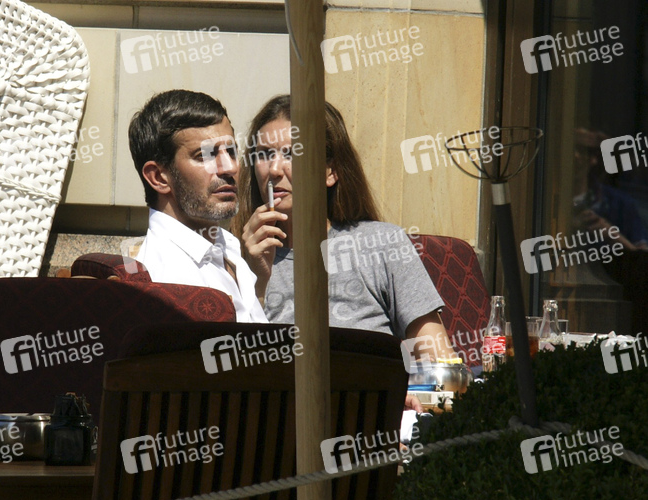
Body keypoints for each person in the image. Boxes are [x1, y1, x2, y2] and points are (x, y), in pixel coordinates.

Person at [232, 95, 455, 362]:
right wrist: (256, 280)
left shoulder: (383, 243)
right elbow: (238, 366)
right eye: (265, 154)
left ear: (331, 171)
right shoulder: (235, 256)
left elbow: (438, 361)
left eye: (291, 153)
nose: (275, 169)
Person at [128, 90, 268, 323]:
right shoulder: (163, 281)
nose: (230, 168)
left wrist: (260, 285)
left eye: (231, 151)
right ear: (159, 178)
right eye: (206, 155)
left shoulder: (228, 244)